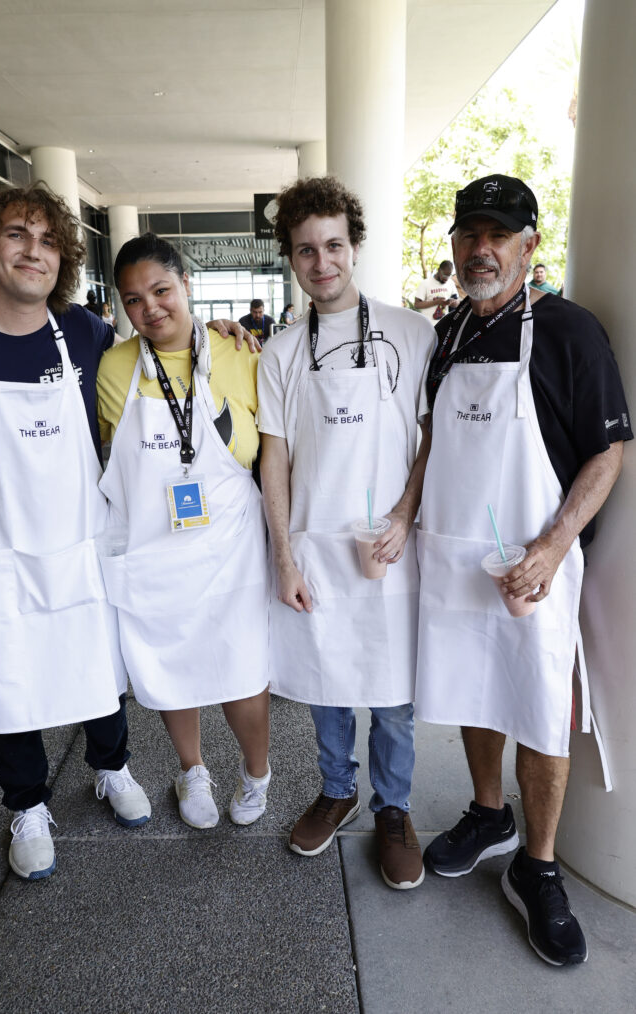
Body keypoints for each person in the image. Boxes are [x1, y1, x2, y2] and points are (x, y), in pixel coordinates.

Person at [416, 173, 632, 965]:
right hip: (454, 558)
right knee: (473, 688)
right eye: (469, 234)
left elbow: (608, 452)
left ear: (529, 246)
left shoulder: (570, 332)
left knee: (540, 710)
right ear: (453, 245)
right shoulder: (448, 335)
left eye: (498, 235)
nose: (481, 249)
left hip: (534, 565)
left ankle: (536, 867)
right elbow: (432, 441)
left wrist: (551, 545)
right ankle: (486, 814)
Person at [0, 183, 151, 882]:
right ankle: (25, 804)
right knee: (9, 679)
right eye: (18, 235)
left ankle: (111, 767)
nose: (34, 252)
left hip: (83, 544)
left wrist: (218, 334)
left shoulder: (86, 334)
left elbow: (161, 377)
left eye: (49, 241)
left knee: (99, 668)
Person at [258, 176, 434, 889]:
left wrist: (402, 516)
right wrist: (282, 555)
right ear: (291, 260)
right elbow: (274, 458)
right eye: (305, 250)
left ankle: (393, 810)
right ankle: (338, 788)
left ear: (352, 247)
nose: (321, 261)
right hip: (315, 547)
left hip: (387, 547)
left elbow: (431, 440)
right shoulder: (279, 352)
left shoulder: (412, 333)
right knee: (328, 682)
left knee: (392, 697)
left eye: (333, 245)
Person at [96, 233, 271, 830]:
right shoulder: (115, 367)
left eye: (162, 290)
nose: (150, 308)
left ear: (187, 285)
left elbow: (270, 453)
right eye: (133, 299)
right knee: (172, 662)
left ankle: (257, 774)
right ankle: (191, 770)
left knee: (242, 666)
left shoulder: (241, 354)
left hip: (231, 545)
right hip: (157, 545)